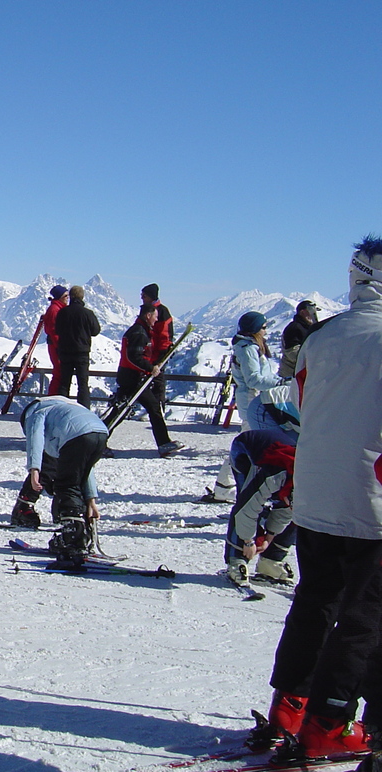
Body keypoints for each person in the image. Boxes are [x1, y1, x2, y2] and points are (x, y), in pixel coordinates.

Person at [261, 236, 382, 766]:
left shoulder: (323, 335)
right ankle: (330, 724)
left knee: (316, 602)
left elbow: (304, 402)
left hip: (316, 493)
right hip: (372, 502)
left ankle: (290, 706)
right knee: (366, 617)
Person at [9, 396, 108, 564]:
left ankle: (73, 538)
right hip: (101, 433)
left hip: (76, 437)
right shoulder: (67, 409)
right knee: (75, 478)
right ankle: (83, 534)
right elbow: (86, 470)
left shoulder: (37, 412)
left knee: (65, 485)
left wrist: (34, 469)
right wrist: (91, 500)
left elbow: (36, 438)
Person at [207, 311, 286, 502]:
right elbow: (254, 379)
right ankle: (228, 486)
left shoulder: (247, 346)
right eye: (264, 327)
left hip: (252, 400)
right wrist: (281, 383)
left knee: (249, 442)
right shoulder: (249, 348)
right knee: (250, 444)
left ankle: (225, 486)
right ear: (255, 329)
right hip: (254, 401)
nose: (266, 332)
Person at [223, 428, 298, 585]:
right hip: (246, 450)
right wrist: (249, 541)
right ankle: (237, 559)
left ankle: (271, 560)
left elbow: (288, 513)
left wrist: (269, 537)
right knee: (247, 501)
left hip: (286, 475)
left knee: (296, 518)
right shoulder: (274, 475)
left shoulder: (307, 489)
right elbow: (248, 509)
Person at [112, 304, 183, 457]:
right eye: (155, 316)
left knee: (121, 410)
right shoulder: (139, 332)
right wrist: (150, 368)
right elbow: (134, 357)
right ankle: (163, 443)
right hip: (133, 377)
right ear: (148, 315)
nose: (156, 319)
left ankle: (98, 439)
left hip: (130, 376)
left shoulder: (140, 330)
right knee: (149, 407)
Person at [53, 285, 102, 407]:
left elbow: (57, 330)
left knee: (64, 383)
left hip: (65, 352)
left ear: (71, 297)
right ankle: (84, 411)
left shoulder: (63, 313)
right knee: (83, 384)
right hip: (82, 353)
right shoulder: (88, 313)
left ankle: (61, 409)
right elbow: (95, 330)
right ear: (82, 297)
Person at [140, 283, 174, 408]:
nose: (142, 298)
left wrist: (161, 355)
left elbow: (164, 335)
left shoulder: (161, 312)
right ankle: (151, 407)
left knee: (157, 380)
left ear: (151, 296)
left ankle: (157, 406)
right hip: (148, 352)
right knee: (149, 380)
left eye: (144, 296)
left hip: (157, 352)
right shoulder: (147, 309)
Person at [279, 300, 320, 379]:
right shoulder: (295, 328)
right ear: (302, 312)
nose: (313, 315)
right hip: (292, 374)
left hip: (301, 372)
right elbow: (292, 352)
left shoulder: (308, 328)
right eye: (310, 312)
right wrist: (313, 359)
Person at [44, 285, 68, 396]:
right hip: (56, 346)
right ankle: (53, 396)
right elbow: (53, 331)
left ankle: (54, 396)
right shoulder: (55, 310)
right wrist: (60, 346)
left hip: (55, 345)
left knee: (59, 373)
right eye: (65, 296)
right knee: (59, 372)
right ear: (60, 297)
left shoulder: (57, 308)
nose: (68, 298)